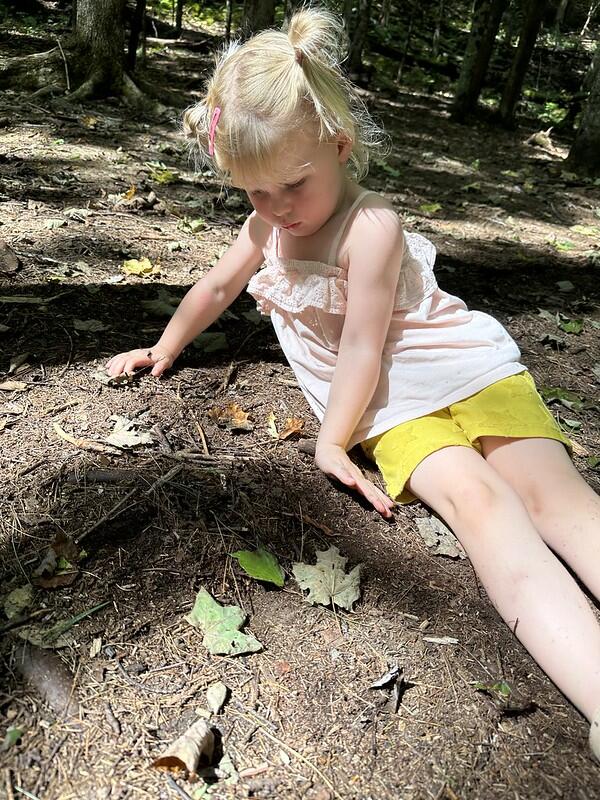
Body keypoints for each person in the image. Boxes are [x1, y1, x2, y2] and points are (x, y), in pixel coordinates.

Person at [106, 8, 600, 758]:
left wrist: (331, 442)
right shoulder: (268, 223)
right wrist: (164, 346)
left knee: (553, 497)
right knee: (482, 509)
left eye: (292, 186)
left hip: (457, 365)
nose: (275, 210)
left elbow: (366, 343)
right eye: (255, 193)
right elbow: (214, 288)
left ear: (339, 148)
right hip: (390, 405)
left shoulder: (373, 227)